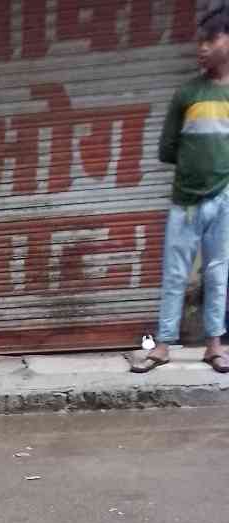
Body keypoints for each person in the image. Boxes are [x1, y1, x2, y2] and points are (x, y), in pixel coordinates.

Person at [131, 4, 229, 374]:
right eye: (199, 41)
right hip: (184, 201)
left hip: (224, 199)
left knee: (218, 274)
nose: (201, 48)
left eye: (210, 40)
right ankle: (163, 345)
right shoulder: (187, 94)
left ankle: (214, 346)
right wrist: (197, 168)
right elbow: (166, 149)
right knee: (175, 274)